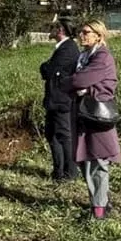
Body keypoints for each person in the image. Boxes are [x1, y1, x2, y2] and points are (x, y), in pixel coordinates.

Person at [70, 20, 121, 221]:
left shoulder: (102, 57)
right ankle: (100, 202)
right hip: (85, 113)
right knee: (85, 160)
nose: (81, 35)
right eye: (80, 31)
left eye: (85, 32)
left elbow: (79, 80)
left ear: (98, 35)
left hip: (98, 115)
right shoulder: (84, 56)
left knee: (98, 160)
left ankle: (98, 210)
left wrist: (73, 84)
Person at [39, 17, 79, 182]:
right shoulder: (64, 48)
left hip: (61, 100)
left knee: (63, 136)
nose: (51, 30)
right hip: (56, 101)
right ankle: (59, 172)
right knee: (53, 135)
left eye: (54, 27)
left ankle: (69, 173)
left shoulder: (67, 49)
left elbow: (47, 70)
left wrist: (45, 66)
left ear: (61, 29)